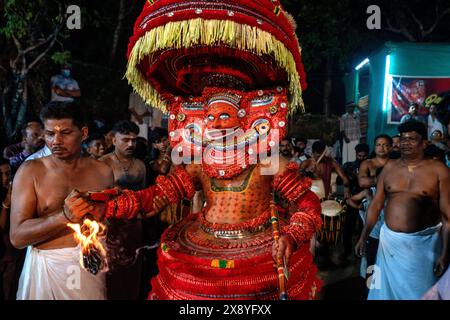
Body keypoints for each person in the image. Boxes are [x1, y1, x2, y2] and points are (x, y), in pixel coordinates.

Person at [10, 101, 114, 300]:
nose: (56, 141)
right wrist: (64, 216)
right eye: (50, 134)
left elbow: (107, 222)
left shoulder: (102, 172)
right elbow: (17, 237)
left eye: (65, 133)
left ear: (83, 133)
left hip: (89, 267)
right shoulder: (31, 171)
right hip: (47, 268)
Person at [355, 120, 450, 300]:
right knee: (383, 292)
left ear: (424, 143)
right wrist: (363, 236)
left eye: (412, 139)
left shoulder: (439, 171)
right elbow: (376, 204)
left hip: (424, 247)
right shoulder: (390, 167)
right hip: (389, 244)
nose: (406, 143)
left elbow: (447, 216)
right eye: (403, 139)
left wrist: (445, 253)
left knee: (420, 294)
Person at [99, 120, 146, 300]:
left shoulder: (140, 165)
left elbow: (143, 196)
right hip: (111, 225)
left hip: (135, 224)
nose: (130, 144)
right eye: (125, 140)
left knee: (133, 267)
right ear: (114, 141)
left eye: (134, 140)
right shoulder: (103, 164)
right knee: (111, 270)